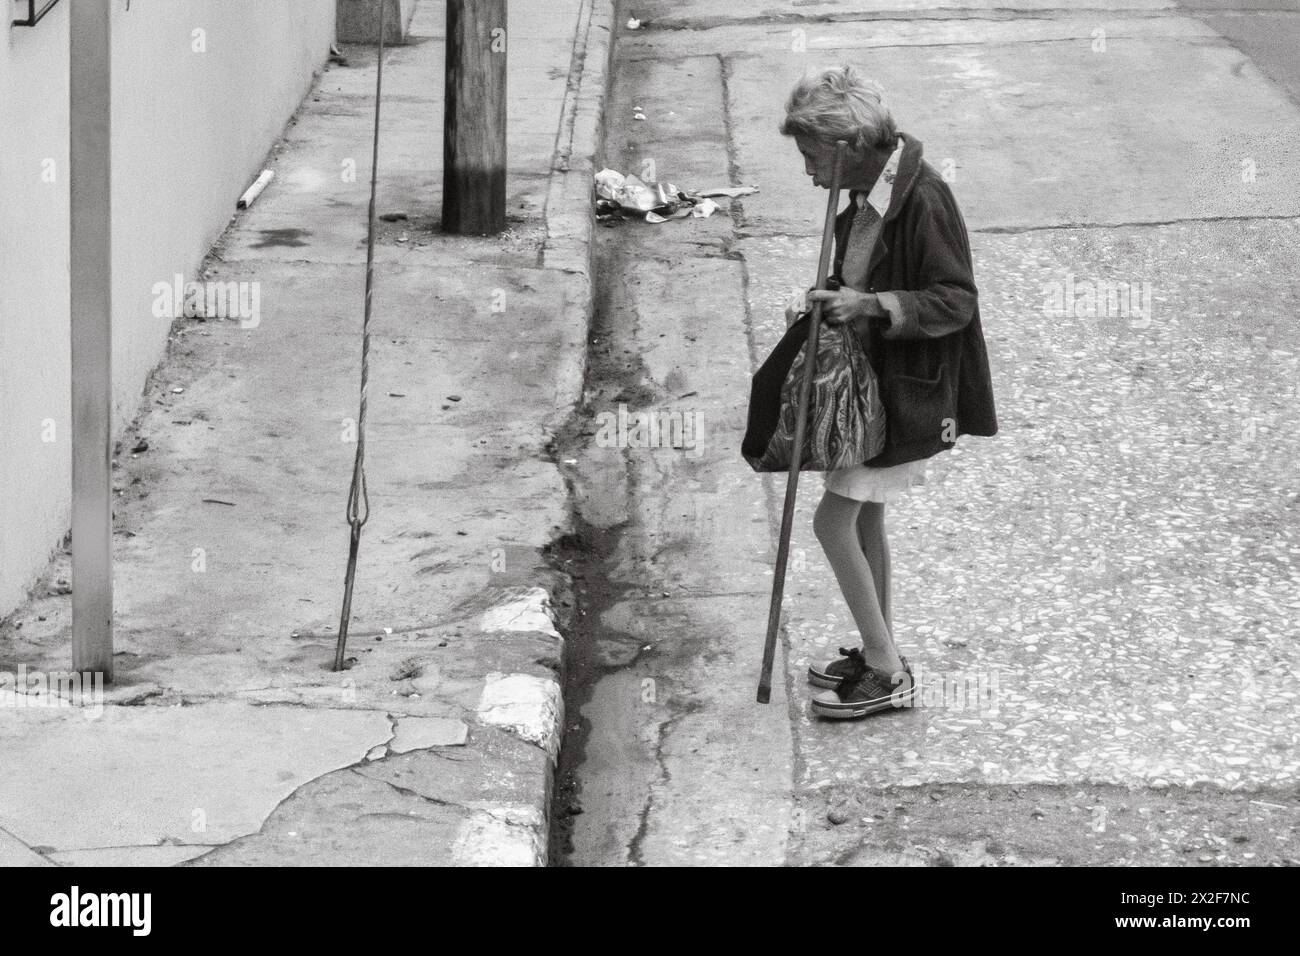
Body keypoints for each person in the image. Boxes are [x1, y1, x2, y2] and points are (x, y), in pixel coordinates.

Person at [778, 66, 998, 719]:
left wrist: (869, 304)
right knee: (865, 515)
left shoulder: (923, 198)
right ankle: (882, 650)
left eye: (814, 159)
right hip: (870, 391)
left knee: (831, 520)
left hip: (905, 394)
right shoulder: (871, 192)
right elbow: (858, 271)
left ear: (851, 149)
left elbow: (954, 299)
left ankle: (885, 667)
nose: (809, 173)